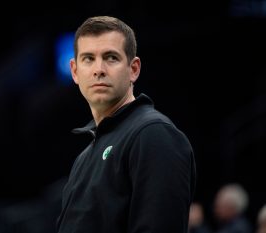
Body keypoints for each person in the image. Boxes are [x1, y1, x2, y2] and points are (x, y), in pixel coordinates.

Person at [56, 15, 196, 233]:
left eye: (111, 57)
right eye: (88, 58)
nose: (98, 69)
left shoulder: (154, 134)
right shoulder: (86, 154)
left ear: (134, 69)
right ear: (75, 71)